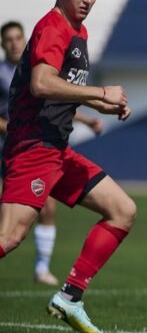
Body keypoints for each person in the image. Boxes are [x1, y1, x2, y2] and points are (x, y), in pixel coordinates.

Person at [0, 0, 135, 333]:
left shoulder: (79, 32)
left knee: (122, 210)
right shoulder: (53, 28)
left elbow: (62, 91)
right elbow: (41, 84)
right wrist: (99, 92)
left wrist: (102, 104)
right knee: (8, 238)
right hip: (32, 148)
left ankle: (70, 296)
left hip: (57, 150)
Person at [0, 20, 104, 286]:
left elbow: (57, 98)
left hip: (37, 148)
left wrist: (88, 119)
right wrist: (12, 127)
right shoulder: (7, 73)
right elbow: (44, 89)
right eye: (8, 39)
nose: (14, 43)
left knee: (44, 208)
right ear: (2, 44)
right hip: (16, 148)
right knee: (10, 232)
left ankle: (42, 269)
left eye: (17, 38)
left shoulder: (34, 67)